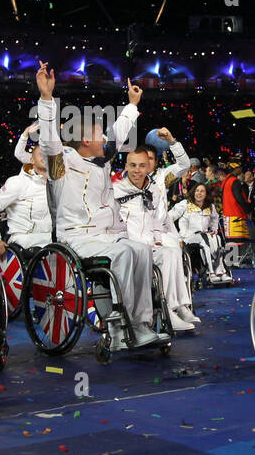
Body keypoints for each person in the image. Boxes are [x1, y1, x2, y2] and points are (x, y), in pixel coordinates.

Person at [36, 64, 161, 346]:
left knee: (141, 250)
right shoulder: (62, 165)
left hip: (106, 236)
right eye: (97, 133)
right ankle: (127, 326)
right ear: (84, 141)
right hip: (78, 238)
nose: (104, 137)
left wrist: (131, 105)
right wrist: (46, 98)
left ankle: (140, 323)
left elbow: (118, 133)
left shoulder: (101, 161)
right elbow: (48, 142)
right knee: (125, 255)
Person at [114, 133, 197, 331]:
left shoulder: (160, 181)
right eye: (135, 163)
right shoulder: (116, 188)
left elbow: (184, 165)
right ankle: (164, 309)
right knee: (168, 252)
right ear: (128, 164)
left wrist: (173, 142)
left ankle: (177, 306)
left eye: (147, 161)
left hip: (158, 233)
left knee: (172, 252)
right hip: (131, 242)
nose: (141, 167)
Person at [0, 125, 53, 251]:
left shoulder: (56, 186)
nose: (44, 156)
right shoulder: (18, 183)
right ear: (31, 160)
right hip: (23, 240)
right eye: (41, 153)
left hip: (50, 240)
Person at [171, 182, 229, 283]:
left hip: (204, 236)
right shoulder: (185, 204)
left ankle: (220, 272)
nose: (199, 193)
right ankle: (210, 272)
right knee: (204, 237)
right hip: (187, 237)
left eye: (202, 191)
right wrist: (174, 235)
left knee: (217, 238)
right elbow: (169, 218)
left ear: (206, 194)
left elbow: (215, 219)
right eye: (197, 191)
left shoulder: (210, 207)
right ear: (193, 192)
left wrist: (214, 230)